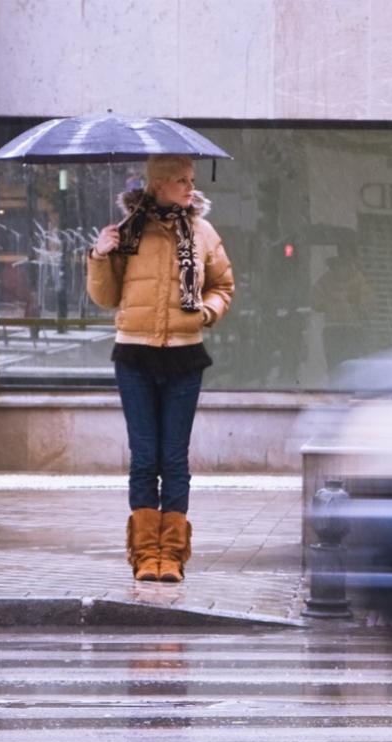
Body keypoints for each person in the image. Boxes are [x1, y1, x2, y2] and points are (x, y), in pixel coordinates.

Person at [86, 154, 234, 583]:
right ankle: (144, 554)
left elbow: (223, 285)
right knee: (144, 455)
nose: (190, 188)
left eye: (190, 180)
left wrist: (205, 312)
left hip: (185, 356)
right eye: (179, 181)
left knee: (174, 457)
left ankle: (171, 555)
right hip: (134, 355)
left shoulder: (202, 232)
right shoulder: (128, 231)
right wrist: (99, 254)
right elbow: (106, 296)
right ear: (157, 184)